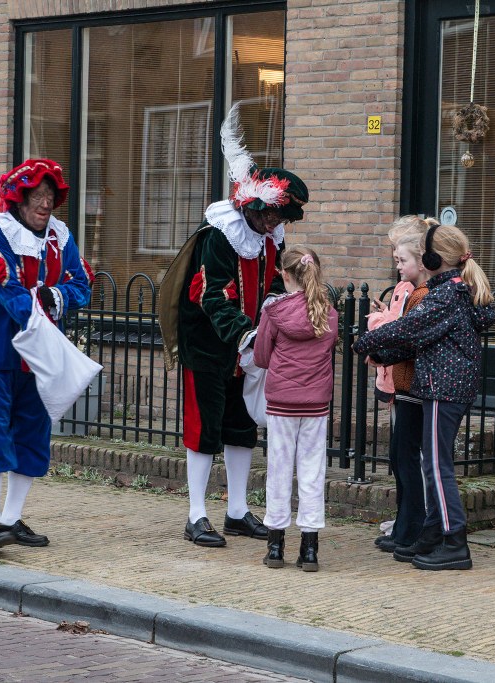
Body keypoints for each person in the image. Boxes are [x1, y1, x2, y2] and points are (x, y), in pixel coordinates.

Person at [159, 103, 309, 548]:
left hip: (249, 348)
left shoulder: (269, 239)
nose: (273, 223)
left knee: (242, 428)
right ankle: (196, 515)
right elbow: (212, 296)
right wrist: (248, 335)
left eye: (279, 217)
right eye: (269, 215)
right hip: (209, 345)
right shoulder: (218, 236)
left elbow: (273, 286)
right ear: (250, 205)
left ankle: (238, 511)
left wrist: (274, 320)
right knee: (204, 429)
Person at [0, 158, 93, 552]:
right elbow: (4, 286)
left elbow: (81, 284)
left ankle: (11, 519)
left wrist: (55, 295)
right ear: (19, 198)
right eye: (37, 195)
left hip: (39, 355)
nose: (45, 203)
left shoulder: (60, 237)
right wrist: (40, 310)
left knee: (33, 436)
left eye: (50, 195)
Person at [353, 223, 495, 570]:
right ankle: (434, 532)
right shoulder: (452, 290)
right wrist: (383, 353)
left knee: (436, 466)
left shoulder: (445, 294)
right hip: (443, 388)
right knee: (434, 464)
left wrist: (365, 341)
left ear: (432, 259)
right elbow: (420, 340)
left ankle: (455, 542)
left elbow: (407, 328)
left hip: (443, 389)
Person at [253, 245, 337, 571]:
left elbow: (261, 357)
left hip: (281, 402)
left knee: (279, 469)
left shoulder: (274, 312)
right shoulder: (328, 313)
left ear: (285, 275)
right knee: (312, 471)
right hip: (315, 403)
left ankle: (275, 547)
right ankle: (310, 549)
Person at [367, 216, 437, 556]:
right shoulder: (411, 291)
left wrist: (378, 328)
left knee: (408, 458)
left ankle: (413, 529)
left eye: (401, 259)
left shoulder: (422, 295)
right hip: (403, 384)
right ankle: (404, 526)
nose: (397, 266)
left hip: (412, 387)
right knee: (400, 456)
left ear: (421, 261)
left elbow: (404, 335)